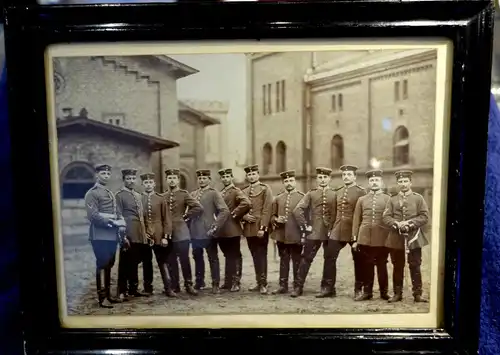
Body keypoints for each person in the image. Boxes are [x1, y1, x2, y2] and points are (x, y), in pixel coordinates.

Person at [382, 169, 430, 303]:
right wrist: (396, 224)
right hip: (396, 237)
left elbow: (424, 216)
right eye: (400, 182)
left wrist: (411, 224)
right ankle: (397, 294)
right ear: (398, 183)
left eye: (405, 181)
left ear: (410, 182)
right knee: (397, 265)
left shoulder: (418, 198)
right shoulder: (392, 200)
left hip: (414, 237)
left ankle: (417, 294)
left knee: (415, 265)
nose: (403, 184)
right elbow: (386, 217)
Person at [84, 163, 127, 308]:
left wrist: (121, 222)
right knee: (102, 264)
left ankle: (108, 294)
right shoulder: (92, 193)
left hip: (112, 235)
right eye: (103, 174)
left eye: (108, 174)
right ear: (97, 175)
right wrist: (111, 222)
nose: (106, 176)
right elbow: (93, 216)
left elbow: (116, 212)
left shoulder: (109, 192)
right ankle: (102, 298)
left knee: (109, 264)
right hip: (100, 234)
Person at [292, 167, 337, 298]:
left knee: (330, 260)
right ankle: (298, 287)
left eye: (325, 177)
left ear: (329, 179)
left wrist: (334, 227)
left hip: (330, 231)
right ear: (317, 179)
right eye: (320, 178)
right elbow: (297, 210)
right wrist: (305, 226)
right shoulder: (311, 194)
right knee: (306, 258)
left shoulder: (335, 194)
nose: (322, 180)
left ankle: (328, 288)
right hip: (314, 232)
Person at [327, 164, 366, 298]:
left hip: (353, 230)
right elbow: (333, 212)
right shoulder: (338, 191)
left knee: (359, 259)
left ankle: (358, 289)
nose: (346, 177)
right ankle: (329, 288)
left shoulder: (361, 192)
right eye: (344, 175)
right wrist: (330, 229)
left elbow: (363, 213)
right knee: (329, 256)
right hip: (338, 229)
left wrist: (360, 233)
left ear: (355, 177)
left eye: (349, 174)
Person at [163, 168, 203, 296]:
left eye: (174, 178)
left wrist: (186, 216)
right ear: (166, 180)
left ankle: (188, 284)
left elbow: (198, 207)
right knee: (171, 260)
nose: (172, 180)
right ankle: (175, 285)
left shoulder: (184, 194)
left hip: (181, 232)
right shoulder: (163, 196)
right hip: (168, 233)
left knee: (184, 259)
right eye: (169, 178)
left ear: (178, 180)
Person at [352, 169, 391, 301]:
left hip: (382, 238)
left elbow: (390, 218)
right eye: (372, 180)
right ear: (368, 183)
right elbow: (356, 220)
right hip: (365, 238)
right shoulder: (362, 199)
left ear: (381, 182)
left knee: (382, 265)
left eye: (377, 180)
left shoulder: (387, 199)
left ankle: (384, 292)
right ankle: (367, 292)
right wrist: (355, 239)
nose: (374, 183)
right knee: (366, 265)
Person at [189, 169, 230, 293]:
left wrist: (215, 226)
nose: (201, 180)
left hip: (209, 231)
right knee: (197, 256)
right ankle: (199, 282)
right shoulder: (193, 194)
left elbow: (224, 211)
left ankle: (215, 284)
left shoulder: (214, 193)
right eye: (200, 178)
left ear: (209, 180)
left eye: (204, 178)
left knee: (213, 257)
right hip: (195, 231)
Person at [116, 168, 152, 299]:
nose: (131, 181)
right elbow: (118, 215)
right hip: (128, 232)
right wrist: (123, 236)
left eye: (133, 179)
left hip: (140, 233)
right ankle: (121, 290)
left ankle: (133, 288)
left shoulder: (138, 195)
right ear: (124, 180)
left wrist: (146, 233)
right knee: (125, 262)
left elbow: (143, 216)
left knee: (135, 262)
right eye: (128, 179)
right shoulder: (119, 195)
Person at [140, 172, 177, 298]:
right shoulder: (139, 199)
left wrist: (165, 236)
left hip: (159, 234)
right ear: (142, 184)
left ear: (154, 184)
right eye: (146, 182)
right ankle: (148, 288)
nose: (148, 185)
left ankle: (168, 288)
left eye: (150, 182)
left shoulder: (161, 198)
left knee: (163, 261)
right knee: (146, 261)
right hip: (145, 235)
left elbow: (167, 219)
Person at [270, 170, 305, 295]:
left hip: (296, 235)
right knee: (283, 260)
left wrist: (304, 235)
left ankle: (297, 286)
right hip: (281, 234)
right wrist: (276, 219)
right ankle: (282, 285)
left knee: (297, 261)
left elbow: (307, 217)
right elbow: (272, 216)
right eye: (286, 181)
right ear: (283, 183)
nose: (288, 183)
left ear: (295, 181)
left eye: (291, 181)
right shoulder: (278, 198)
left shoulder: (302, 197)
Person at [216, 168, 251, 292]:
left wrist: (234, 214)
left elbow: (246, 203)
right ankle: (228, 281)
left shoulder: (236, 191)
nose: (225, 179)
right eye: (223, 177)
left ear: (231, 177)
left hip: (233, 229)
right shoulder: (220, 193)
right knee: (227, 255)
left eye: (227, 176)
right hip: (221, 230)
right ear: (221, 179)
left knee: (235, 255)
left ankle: (236, 282)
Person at [241, 164, 274, 295]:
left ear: (258, 174)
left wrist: (263, 228)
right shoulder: (243, 191)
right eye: (249, 174)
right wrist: (243, 216)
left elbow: (267, 210)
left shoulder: (265, 189)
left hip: (260, 227)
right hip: (249, 228)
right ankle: (257, 281)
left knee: (261, 255)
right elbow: (239, 209)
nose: (251, 176)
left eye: (253, 174)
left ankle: (263, 283)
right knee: (254, 255)